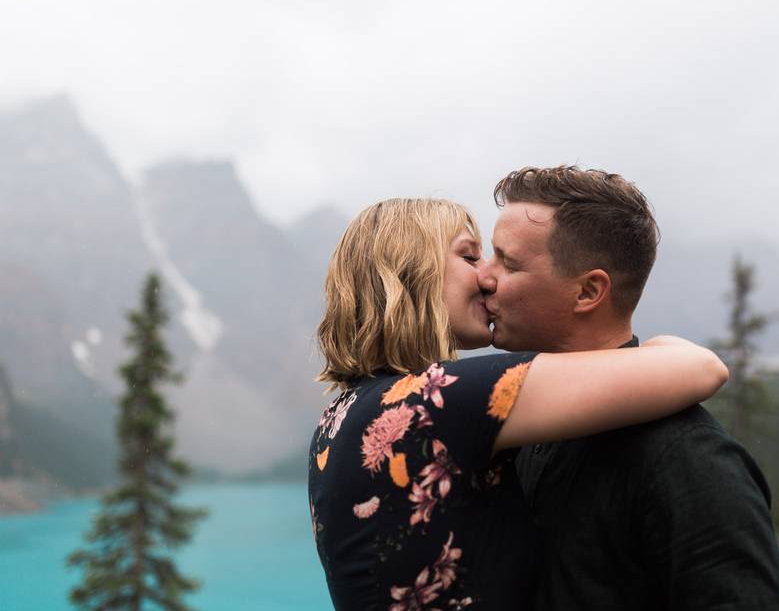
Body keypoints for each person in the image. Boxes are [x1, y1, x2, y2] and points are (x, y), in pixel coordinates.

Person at [307, 198, 728, 611]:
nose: (486, 278)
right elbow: (702, 368)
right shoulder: (437, 400)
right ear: (414, 272)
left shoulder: (342, 415)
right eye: (470, 257)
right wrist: (657, 345)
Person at [478, 165, 779, 610]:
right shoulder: (527, 428)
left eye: (507, 262)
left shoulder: (688, 461)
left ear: (588, 292)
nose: (484, 277)